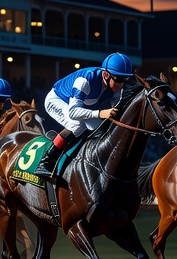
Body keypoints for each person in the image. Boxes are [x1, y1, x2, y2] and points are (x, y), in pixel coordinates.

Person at [38, 53, 133, 184]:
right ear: (106, 75)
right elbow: (73, 112)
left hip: (83, 105)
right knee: (77, 125)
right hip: (57, 100)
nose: (121, 84)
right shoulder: (85, 80)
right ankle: (46, 162)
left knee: (100, 127)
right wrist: (100, 113)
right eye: (119, 79)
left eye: (124, 79)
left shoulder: (117, 89)